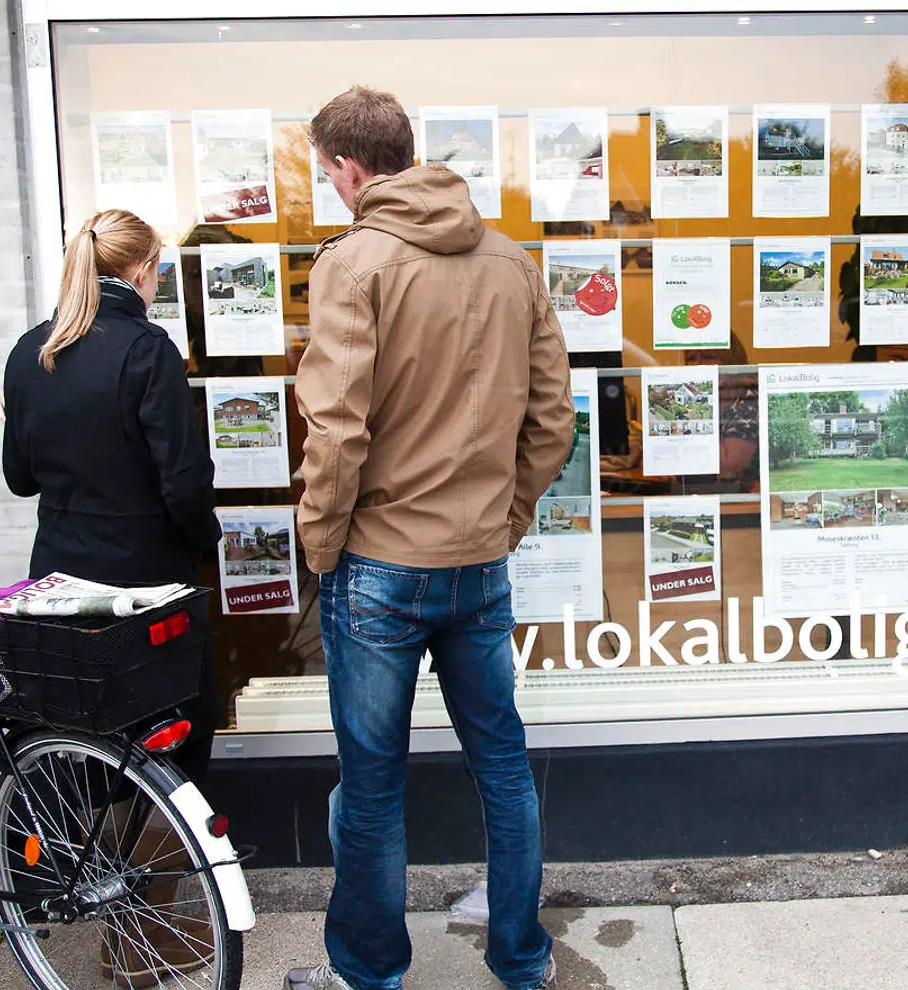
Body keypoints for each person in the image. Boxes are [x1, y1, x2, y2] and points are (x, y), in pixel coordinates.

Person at [287, 86, 574, 990]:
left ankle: (371, 976)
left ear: (348, 166)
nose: (330, 186)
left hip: (378, 564)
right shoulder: (510, 261)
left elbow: (335, 431)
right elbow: (552, 420)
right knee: (503, 764)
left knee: (371, 788)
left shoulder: (354, 262)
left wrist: (321, 548)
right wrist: (503, 517)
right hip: (477, 564)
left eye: (326, 171)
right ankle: (523, 961)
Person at [1, 208, 222, 986]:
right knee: (174, 745)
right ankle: (142, 941)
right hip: (148, 585)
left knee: (86, 746)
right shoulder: (146, 351)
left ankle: (94, 903)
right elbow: (186, 481)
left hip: (61, 584)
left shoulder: (33, 352)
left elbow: (18, 476)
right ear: (141, 270)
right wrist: (207, 539)